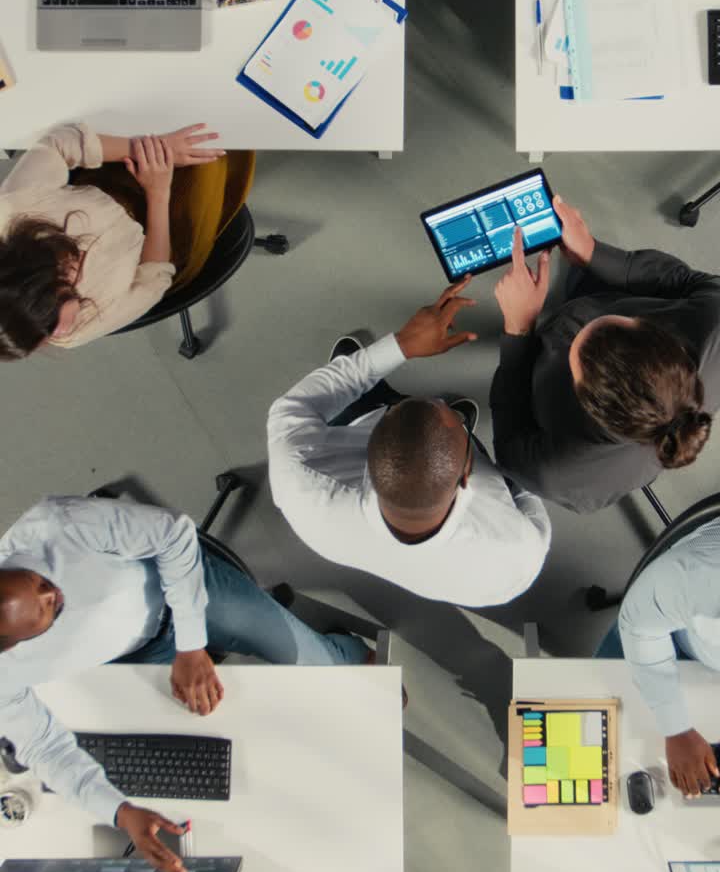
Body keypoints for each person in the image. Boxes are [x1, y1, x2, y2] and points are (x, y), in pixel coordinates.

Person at [0, 495, 372, 872]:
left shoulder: (53, 526)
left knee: (327, 670)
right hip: (136, 651)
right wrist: (120, 813)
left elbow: (174, 534)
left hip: (185, 591)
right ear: (12, 646)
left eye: (40, 582)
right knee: (219, 741)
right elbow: (43, 748)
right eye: (48, 610)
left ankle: (348, 650)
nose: (52, 593)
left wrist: (191, 648)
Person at [267, 278, 551, 607]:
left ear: (371, 450)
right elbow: (525, 488)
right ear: (465, 475)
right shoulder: (517, 554)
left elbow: (294, 408)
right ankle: (452, 425)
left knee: (383, 404)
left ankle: (376, 405)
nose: (436, 400)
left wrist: (402, 345)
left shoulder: (297, 480)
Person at [489, 196, 720, 513]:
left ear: (585, 397)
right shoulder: (716, 322)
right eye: (620, 319)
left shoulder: (558, 473)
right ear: (653, 331)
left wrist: (519, 329)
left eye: (574, 353)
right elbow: (686, 281)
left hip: (542, 399)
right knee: (587, 281)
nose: (582, 323)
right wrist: (593, 252)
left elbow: (509, 442)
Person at [0, 120, 254, 357]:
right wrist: (158, 192)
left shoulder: (13, 210)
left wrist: (158, 149)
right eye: (47, 334)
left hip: (112, 180)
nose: (61, 333)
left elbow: (58, 143)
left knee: (173, 125)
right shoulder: (73, 331)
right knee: (219, 144)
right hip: (166, 233)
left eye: (66, 289)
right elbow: (154, 277)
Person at [595, 518, 720, 799]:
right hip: (671, 638)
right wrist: (676, 729)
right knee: (601, 737)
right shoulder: (698, 577)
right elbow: (640, 627)